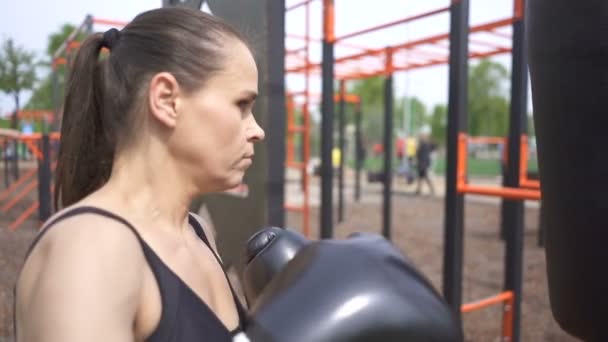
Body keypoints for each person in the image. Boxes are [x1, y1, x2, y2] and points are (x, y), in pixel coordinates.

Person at [14, 7, 264, 342]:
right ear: (166, 99)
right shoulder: (91, 250)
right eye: (241, 105)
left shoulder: (197, 231)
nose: (257, 130)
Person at [415, 128, 437, 196]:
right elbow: (418, 153)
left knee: (425, 176)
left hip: (424, 162)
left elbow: (423, 154)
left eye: (422, 135)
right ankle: (419, 190)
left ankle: (432, 190)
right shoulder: (423, 143)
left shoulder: (425, 143)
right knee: (420, 176)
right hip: (422, 162)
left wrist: (422, 163)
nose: (420, 136)